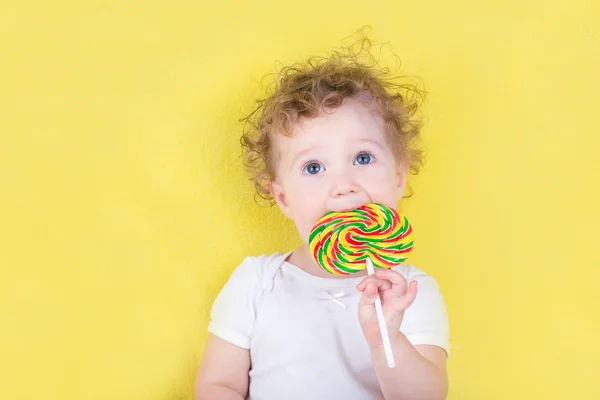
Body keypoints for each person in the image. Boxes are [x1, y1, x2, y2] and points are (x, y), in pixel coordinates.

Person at [195, 38, 450, 400]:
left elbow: (426, 397)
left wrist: (387, 338)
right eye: (313, 167)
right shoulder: (256, 282)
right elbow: (218, 384)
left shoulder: (409, 292)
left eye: (363, 158)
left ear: (399, 177)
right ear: (283, 197)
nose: (343, 186)